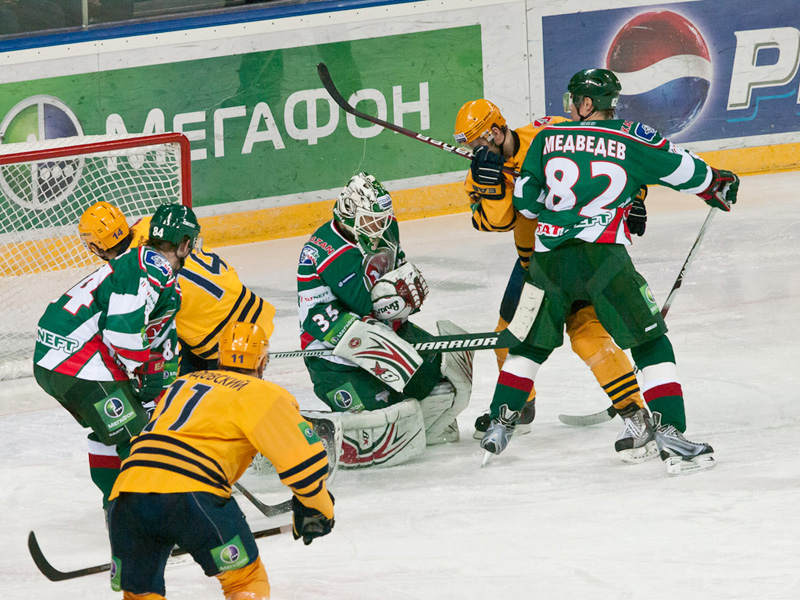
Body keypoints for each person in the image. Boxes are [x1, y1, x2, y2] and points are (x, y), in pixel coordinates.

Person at [480, 68, 740, 475]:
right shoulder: (632, 136)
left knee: (528, 345)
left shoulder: (547, 137)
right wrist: (716, 184)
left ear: (586, 104)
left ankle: (500, 422)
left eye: (573, 99)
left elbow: (526, 204)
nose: (569, 106)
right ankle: (671, 433)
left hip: (546, 262)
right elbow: (685, 171)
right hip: (602, 259)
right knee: (651, 342)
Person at [456, 99, 654, 461]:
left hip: (583, 253)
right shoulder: (479, 172)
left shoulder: (551, 134)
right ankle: (520, 408)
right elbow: (494, 223)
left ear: (496, 132)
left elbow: (613, 155)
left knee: (588, 337)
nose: (474, 152)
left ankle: (636, 413)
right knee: (507, 337)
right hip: (536, 266)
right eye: (470, 147)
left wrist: (636, 197)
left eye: (478, 142)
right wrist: (494, 188)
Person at [107, 320, 335, 599]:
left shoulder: (183, 383)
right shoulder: (264, 394)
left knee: (139, 595)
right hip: (194, 497)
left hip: (127, 495)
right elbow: (304, 464)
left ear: (220, 357)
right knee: (245, 583)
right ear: (262, 361)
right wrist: (318, 509)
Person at [76, 200, 277, 496]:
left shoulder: (131, 271)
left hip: (220, 339)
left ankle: (223, 460)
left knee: (189, 406)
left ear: (95, 247)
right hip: (250, 311)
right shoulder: (149, 226)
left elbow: (135, 333)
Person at [297, 172, 474, 468]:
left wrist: (405, 296)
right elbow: (365, 306)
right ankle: (300, 435)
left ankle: (425, 425)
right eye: (370, 220)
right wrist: (397, 301)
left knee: (441, 380)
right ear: (348, 212)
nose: (378, 227)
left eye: (382, 219)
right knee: (380, 425)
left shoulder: (386, 226)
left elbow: (396, 270)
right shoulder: (329, 250)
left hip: (382, 331)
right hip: (334, 356)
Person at [34, 203, 200, 506]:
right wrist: (141, 370)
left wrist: (159, 383)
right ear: (185, 244)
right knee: (138, 437)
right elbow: (122, 332)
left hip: (55, 361)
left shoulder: (142, 265)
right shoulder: (150, 268)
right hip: (76, 362)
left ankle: (119, 511)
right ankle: (142, 516)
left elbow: (157, 337)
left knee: (113, 431)